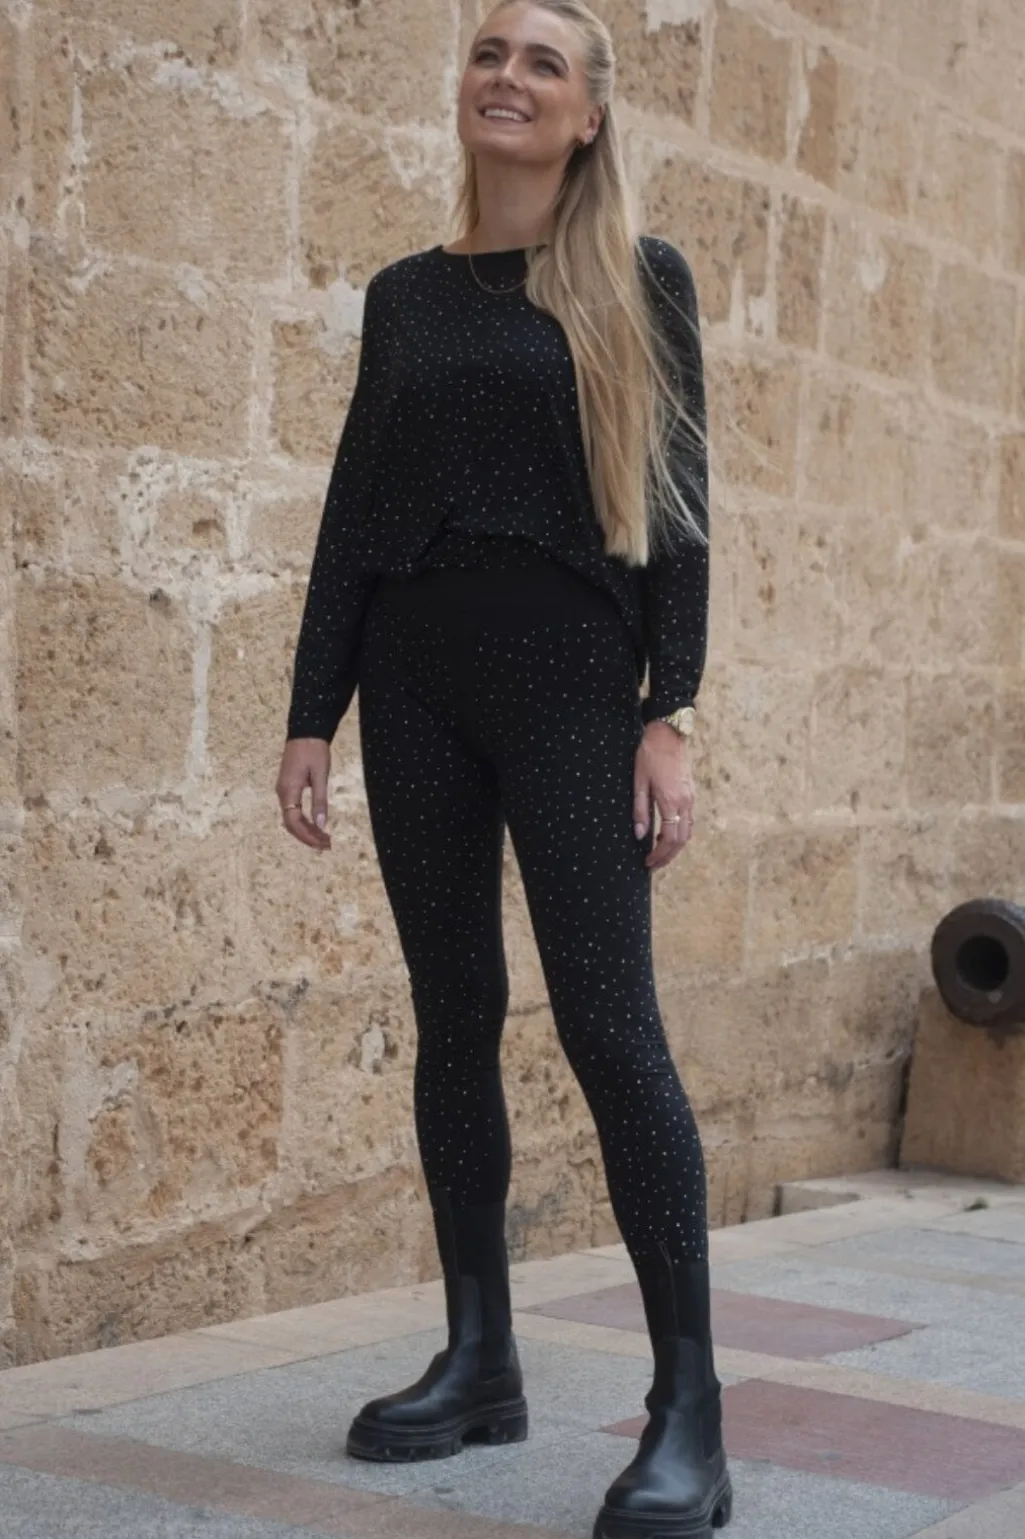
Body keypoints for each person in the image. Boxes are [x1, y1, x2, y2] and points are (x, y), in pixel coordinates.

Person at [275, 3, 732, 1536]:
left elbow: (681, 508)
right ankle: (480, 1358)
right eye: (489, 53)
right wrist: (312, 711)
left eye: (542, 62)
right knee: (453, 1016)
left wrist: (671, 710)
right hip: (414, 684)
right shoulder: (403, 297)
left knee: (612, 1027)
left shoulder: (639, 280)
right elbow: (355, 505)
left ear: (589, 114)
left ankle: (689, 1413)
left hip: (570, 691)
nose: (507, 77)